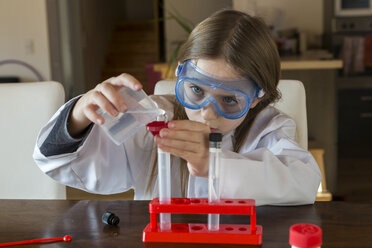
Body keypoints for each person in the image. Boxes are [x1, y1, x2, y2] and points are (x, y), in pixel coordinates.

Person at [33, 9, 321, 205]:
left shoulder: (268, 128)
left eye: (229, 99)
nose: (207, 113)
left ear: (257, 97)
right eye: (196, 90)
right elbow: (60, 164)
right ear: (181, 73)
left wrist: (214, 164)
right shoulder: (153, 120)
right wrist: (79, 115)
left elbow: (304, 183)